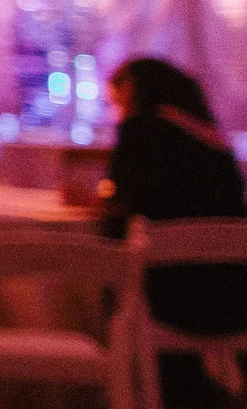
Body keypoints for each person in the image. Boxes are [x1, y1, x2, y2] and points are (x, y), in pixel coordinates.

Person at [102, 57, 247, 362]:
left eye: (119, 98)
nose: (117, 109)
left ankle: (125, 390)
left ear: (136, 90)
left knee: (113, 266)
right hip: (233, 298)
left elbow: (126, 204)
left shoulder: (140, 130)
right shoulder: (215, 143)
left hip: (168, 301)